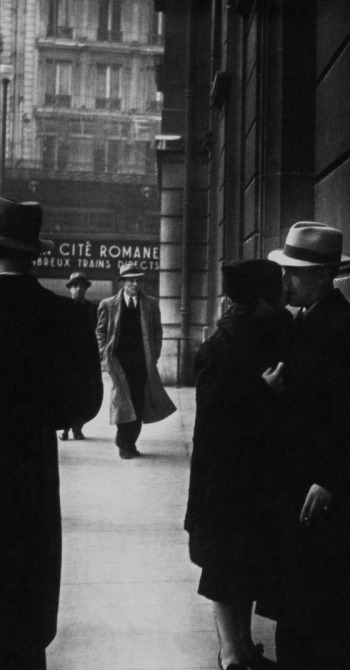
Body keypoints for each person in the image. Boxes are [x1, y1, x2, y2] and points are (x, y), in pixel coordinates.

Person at [268, 222, 350, 670]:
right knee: (300, 599)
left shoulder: (347, 329)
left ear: (320, 276)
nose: (286, 282)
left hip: (323, 487)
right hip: (302, 480)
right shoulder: (307, 321)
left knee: (318, 605)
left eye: (293, 273)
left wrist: (328, 480)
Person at [0, 197, 103, 670]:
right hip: (29, 466)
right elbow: (84, 404)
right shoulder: (67, 316)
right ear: (33, 253)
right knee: (26, 572)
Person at [184, 260, 292, 670]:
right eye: (276, 283)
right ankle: (231, 653)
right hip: (228, 477)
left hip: (252, 475)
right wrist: (261, 392)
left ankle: (244, 649)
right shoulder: (226, 343)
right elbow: (215, 416)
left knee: (243, 563)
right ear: (260, 295)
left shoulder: (271, 325)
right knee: (227, 565)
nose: (285, 287)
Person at [96, 262, 176, 459]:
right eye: (130, 280)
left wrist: (154, 354)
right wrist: (104, 355)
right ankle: (124, 444)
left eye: (137, 280)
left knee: (139, 403)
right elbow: (100, 332)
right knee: (123, 401)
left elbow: (157, 331)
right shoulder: (108, 304)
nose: (134, 284)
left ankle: (129, 442)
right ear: (122, 282)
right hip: (118, 362)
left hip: (142, 361)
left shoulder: (150, 303)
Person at [60, 271, 98, 441]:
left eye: (81, 286)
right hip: (68, 357)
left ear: (86, 288)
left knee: (84, 393)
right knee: (67, 393)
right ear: (70, 289)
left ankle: (77, 427)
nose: (78, 289)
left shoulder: (91, 308)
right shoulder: (63, 306)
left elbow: (97, 329)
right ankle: (65, 428)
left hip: (86, 357)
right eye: (75, 286)